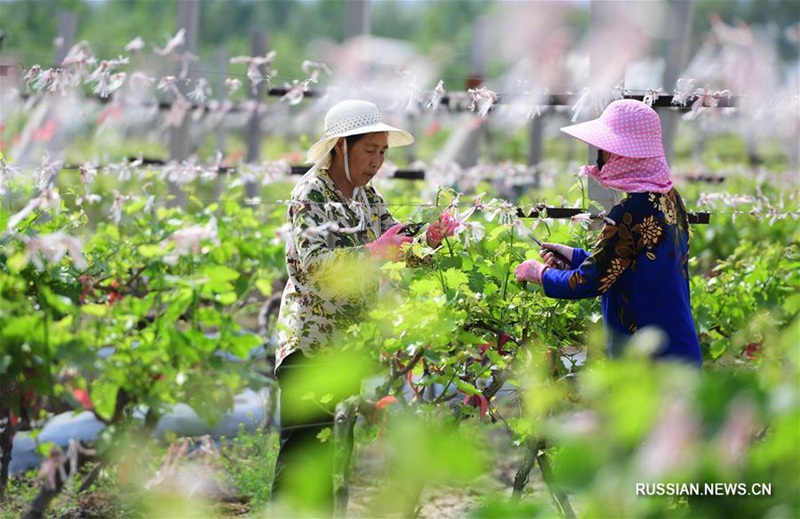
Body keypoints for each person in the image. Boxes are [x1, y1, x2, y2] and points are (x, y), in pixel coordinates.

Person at [272, 100, 457, 513]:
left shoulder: (367, 197)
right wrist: (375, 251)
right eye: (369, 151)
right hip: (310, 345)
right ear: (340, 147)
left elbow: (397, 247)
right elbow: (316, 264)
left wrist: (428, 240)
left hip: (347, 347)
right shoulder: (311, 192)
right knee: (303, 458)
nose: (377, 162)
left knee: (336, 455)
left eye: (382, 153)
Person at [514, 99, 702, 366]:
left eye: (603, 149)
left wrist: (540, 274)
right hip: (680, 350)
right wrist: (576, 256)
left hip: (647, 365)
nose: (599, 157)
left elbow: (589, 282)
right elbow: (630, 264)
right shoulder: (669, 197)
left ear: (619, 155)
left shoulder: (629, 212)